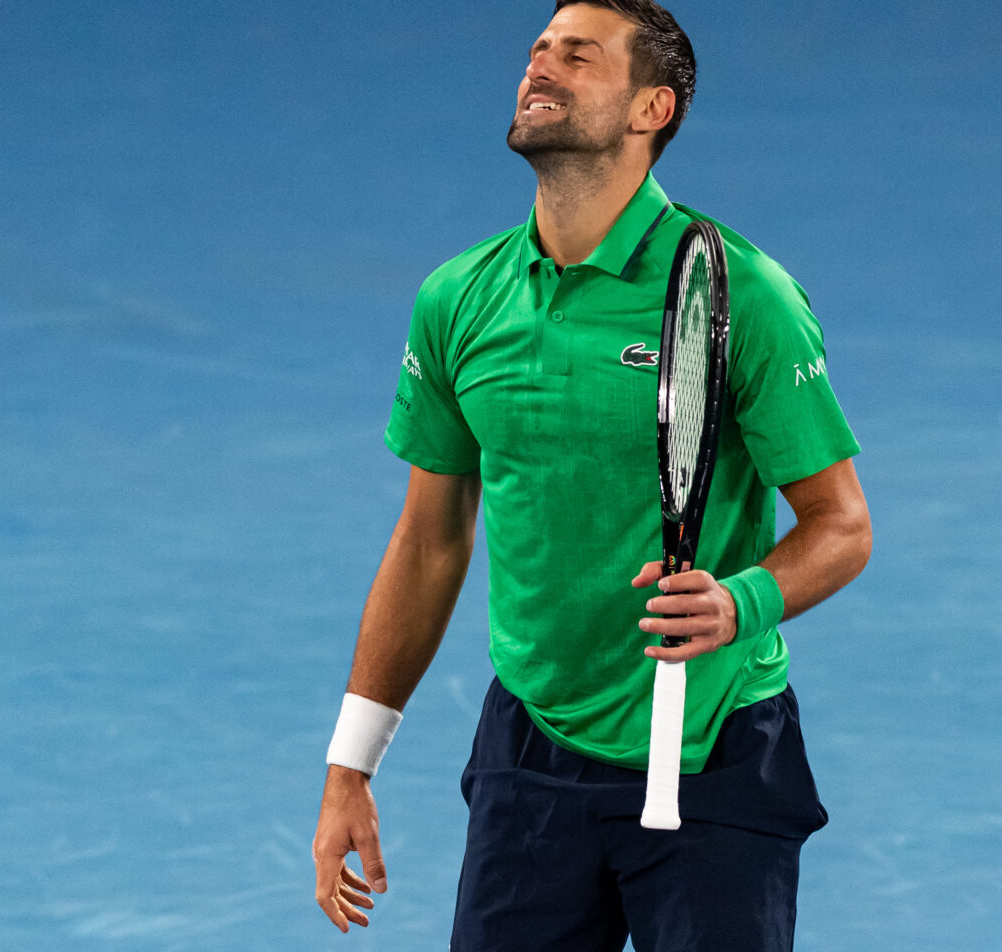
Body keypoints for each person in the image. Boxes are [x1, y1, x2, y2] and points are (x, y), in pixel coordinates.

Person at [312, 1, 872, 948]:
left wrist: (740, 602)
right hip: (530, 752)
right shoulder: (459, 299)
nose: (541, 67)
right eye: (538, 50)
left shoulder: (741, 295)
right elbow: (429, 541)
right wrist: (350, 764)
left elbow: (840, 523)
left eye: (579, 56)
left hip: (714, 750)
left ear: (653, 108)